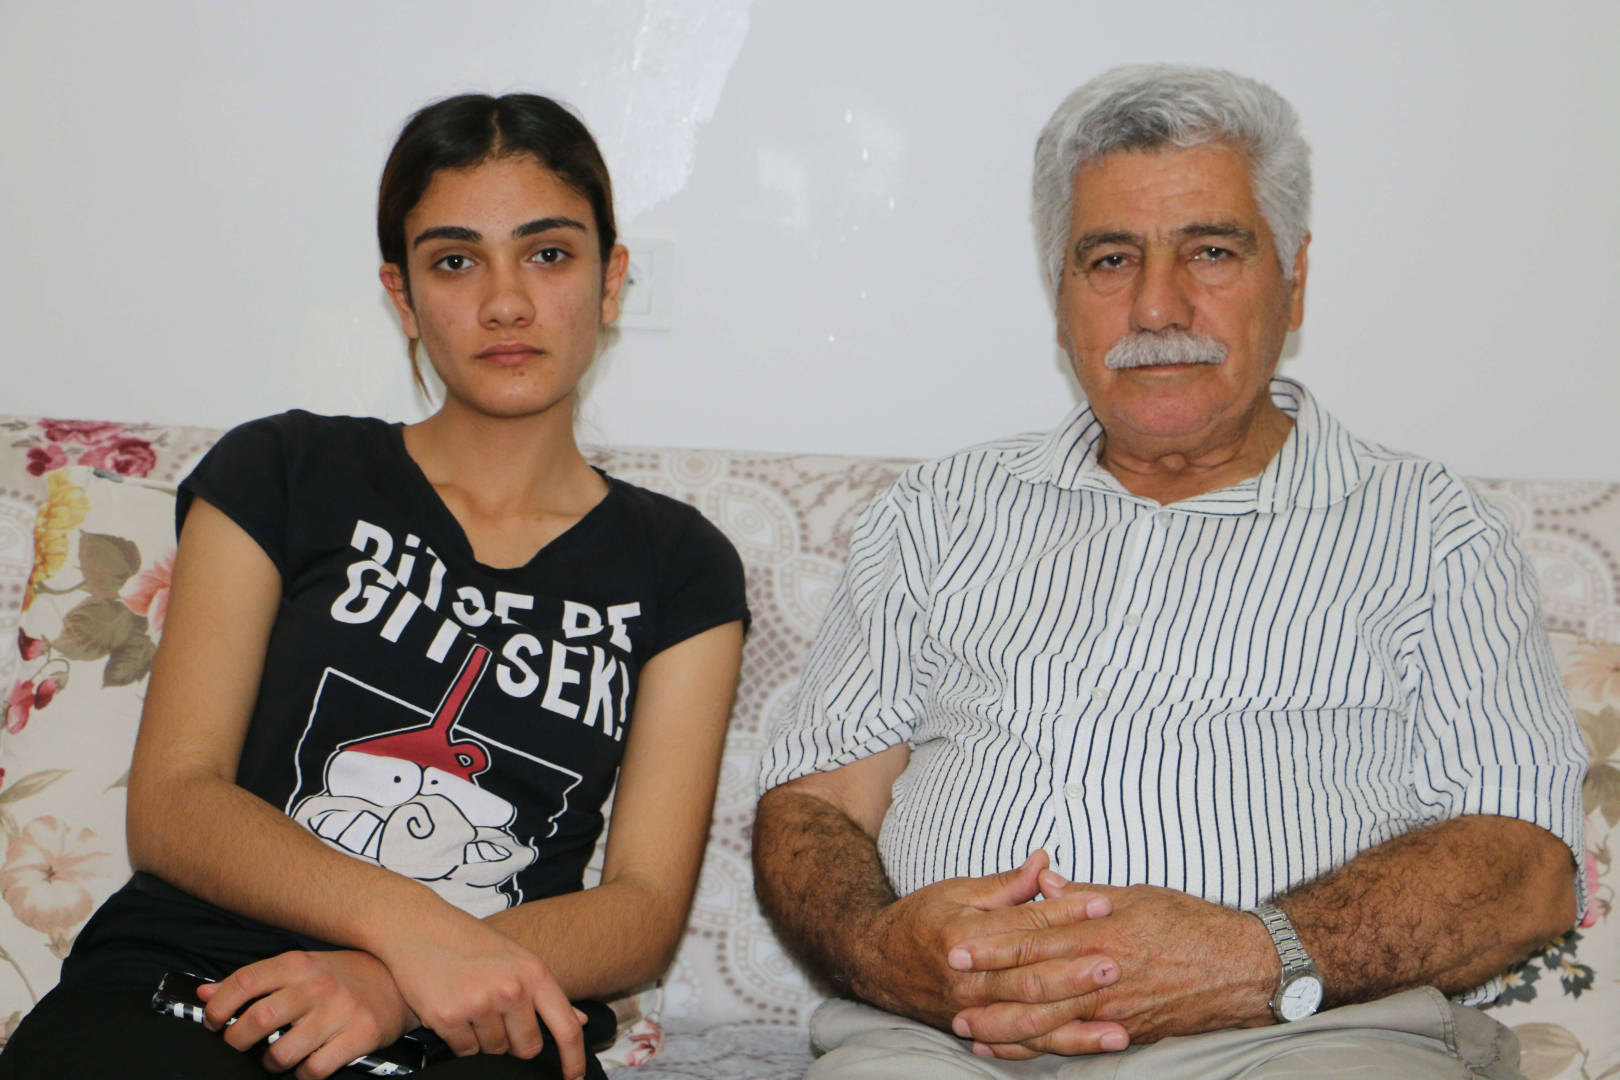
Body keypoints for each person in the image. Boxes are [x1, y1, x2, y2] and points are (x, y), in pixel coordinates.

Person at [752, 65, 1586, 1080]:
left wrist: (1253, 958)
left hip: (1305, 1039)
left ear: (1294, 278)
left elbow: (1523, 863)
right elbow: (816, 806)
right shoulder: (937, 513)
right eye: (1111, 259)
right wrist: (881, 952)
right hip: (948, 1047)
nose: (1157, 307)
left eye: (1211, 251)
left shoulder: (1433, 529)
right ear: (1061, 292)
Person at [0, 93, 748, 1080]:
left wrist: (391, 986)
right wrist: (405, 928)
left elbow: (642, 913)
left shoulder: (680, 563)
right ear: (402, 296)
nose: (506, 302)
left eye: (548, 254)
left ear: (610, 281)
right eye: (455, 261)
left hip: (482, 1027)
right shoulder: (285, 469)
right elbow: (176, 799)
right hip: (197, 982)